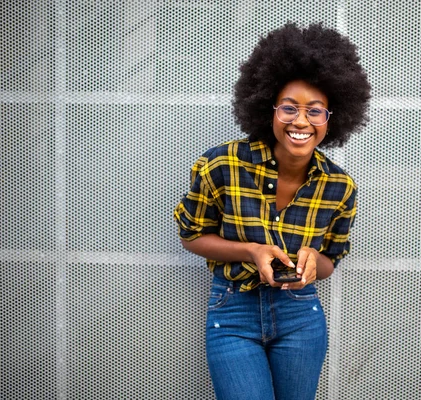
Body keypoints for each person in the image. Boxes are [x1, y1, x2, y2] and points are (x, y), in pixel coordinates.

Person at [173, 22, 370, 400]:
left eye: (315, 111)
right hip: (233, 312)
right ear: (269, 108)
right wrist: (252, 251)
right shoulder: (222, 165)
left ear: (333, 117)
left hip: (300, 317)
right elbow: (191, 236)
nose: (300, 121)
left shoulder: (339, 186)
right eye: (289, 108)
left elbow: (330, 261)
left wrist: (313, 259)